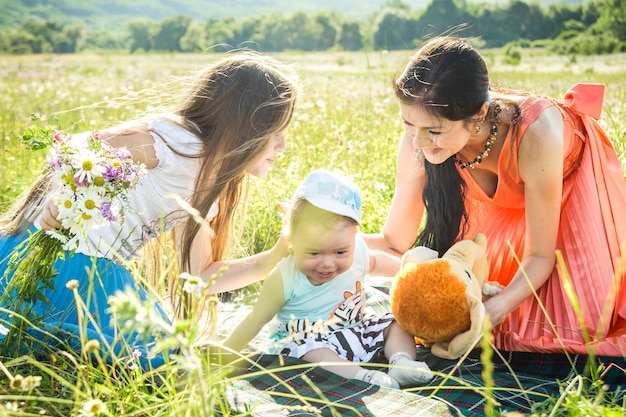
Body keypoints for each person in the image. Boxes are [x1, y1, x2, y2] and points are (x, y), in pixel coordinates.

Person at [0, 52, 299, 369]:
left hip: (96, 273)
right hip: (64, 262)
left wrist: (277, 255)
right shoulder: (178, 144)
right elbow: (81, 147)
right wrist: (59, 198)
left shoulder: (211, 179)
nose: (282, 146)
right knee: (160, 362)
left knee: (170, 363)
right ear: (243, 127)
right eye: (275, 132)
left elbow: (201, 274)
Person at [364, 36, 626, 357]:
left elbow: (540, 256)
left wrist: (497, 308)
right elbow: (394, 240)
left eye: (434, 131)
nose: (417, 141)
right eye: (408, 124)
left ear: (479, 115)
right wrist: (318, 240)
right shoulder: (421, 138)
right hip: (501, 209)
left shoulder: (538, 134)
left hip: (569, 196)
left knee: (574, 327)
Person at [222, 170, 434, 388]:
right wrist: (226, 351)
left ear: (354, 238)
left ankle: (402, 363)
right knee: (312, 352)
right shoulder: (284, 277)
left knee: (396, 322)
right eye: (313, 253)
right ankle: (365, 377)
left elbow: (376, 262)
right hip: (308, 340)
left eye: (340, 252)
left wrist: (408, 268)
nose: (327, 263)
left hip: (355, 329)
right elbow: (256, 318)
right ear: (291, 241)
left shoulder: (358, 250)